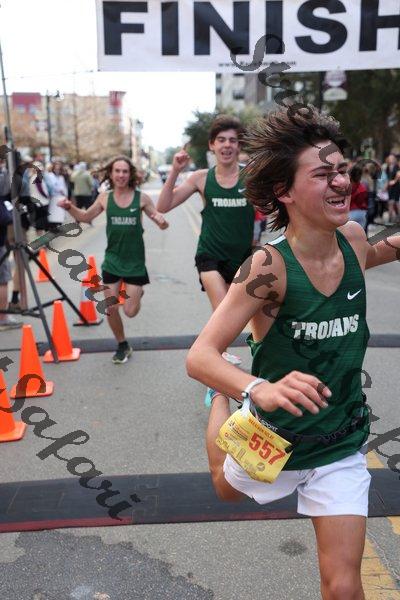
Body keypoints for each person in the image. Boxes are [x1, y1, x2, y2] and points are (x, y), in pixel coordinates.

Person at [186, 107, 400, 600]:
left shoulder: (350, 239)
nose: (341, 182)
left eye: (342, 170)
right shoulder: (268, 266)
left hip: (340, 442)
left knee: (343, 586)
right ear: (284, 190)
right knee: (224, 487)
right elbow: (200, 356)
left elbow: (376, 252)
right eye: (322, 174)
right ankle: (220, 401)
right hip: (272, 437)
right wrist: (256, 388)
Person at [157, 115, 255, 382]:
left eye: (232, 140)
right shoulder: (201, 178)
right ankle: (213, 361)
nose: (227, 145)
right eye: (221, 140)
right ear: (212, 145)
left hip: (243, 258)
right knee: (224, 309)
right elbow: (163, 206)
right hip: (209, 255)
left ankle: (217, 355)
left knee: (241, 315)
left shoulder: (252, 176)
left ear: (239, 146)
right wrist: (175, 171)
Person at [58, 156, 168, 364]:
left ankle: (137, 294)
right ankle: (122, 344)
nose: (121, 175)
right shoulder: (104, 198)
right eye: (117, 171)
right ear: (111, 173)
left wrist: (162, 221)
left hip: (135, 262)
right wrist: (69, 207)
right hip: (112, 260)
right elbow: (85, 217)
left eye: (125, 171)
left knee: (130, 311)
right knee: (110, 307)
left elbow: (161, 222)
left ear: (130, 174)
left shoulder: (142, 198)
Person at [46, 160, 68, 231]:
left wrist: (65, 194)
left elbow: (64, 186)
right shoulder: (50, 175)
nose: (57, 170)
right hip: (54, 196)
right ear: (53, 168)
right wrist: (59, 190)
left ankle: (58, 226)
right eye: (56, 168)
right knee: (53, 212)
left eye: (59, 169)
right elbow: (52, 185)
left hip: (61, 196)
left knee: (59, 212)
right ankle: (53, 227)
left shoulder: (61, 177)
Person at [349, 166, 368, 231]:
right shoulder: (363, 187)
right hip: (362, 213)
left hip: (350, 212)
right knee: (360, 235)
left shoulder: (347, 187)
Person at [386, 153, 399, 224]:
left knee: (396, 202)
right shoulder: (388, 167)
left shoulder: (396, 166)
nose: (391, 159)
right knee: (390, 202)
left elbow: (399, 174)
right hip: (390, 187)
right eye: (390, 158)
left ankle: (398, 217)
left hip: (396, 186)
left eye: (392, 158)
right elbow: (387, 177)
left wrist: (394, 181)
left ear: (394, 159)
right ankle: (390, 218)